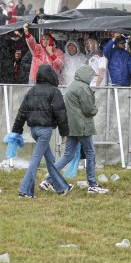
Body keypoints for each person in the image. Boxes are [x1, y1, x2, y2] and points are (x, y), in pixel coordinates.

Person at [41, 65, 108, 194]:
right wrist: (95, 109)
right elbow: (89, 109)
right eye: (91, 77)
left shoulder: (72, 85)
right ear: (86, 76)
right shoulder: (83, 88)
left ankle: (48, 180)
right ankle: (93, 184)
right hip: (82, 126)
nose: (91, 79)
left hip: (71, 126)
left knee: (67, 155)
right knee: (90, 153)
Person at [12, 65, 71, 198]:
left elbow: (21, 112)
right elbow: (61, 114)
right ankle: (25, 191)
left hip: (34, 130)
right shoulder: (54, 91)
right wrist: (64, 133)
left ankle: (62, 188)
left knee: (50, 160)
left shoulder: (31, 90)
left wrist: (16, 131)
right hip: (45, 131)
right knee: (35, 161)